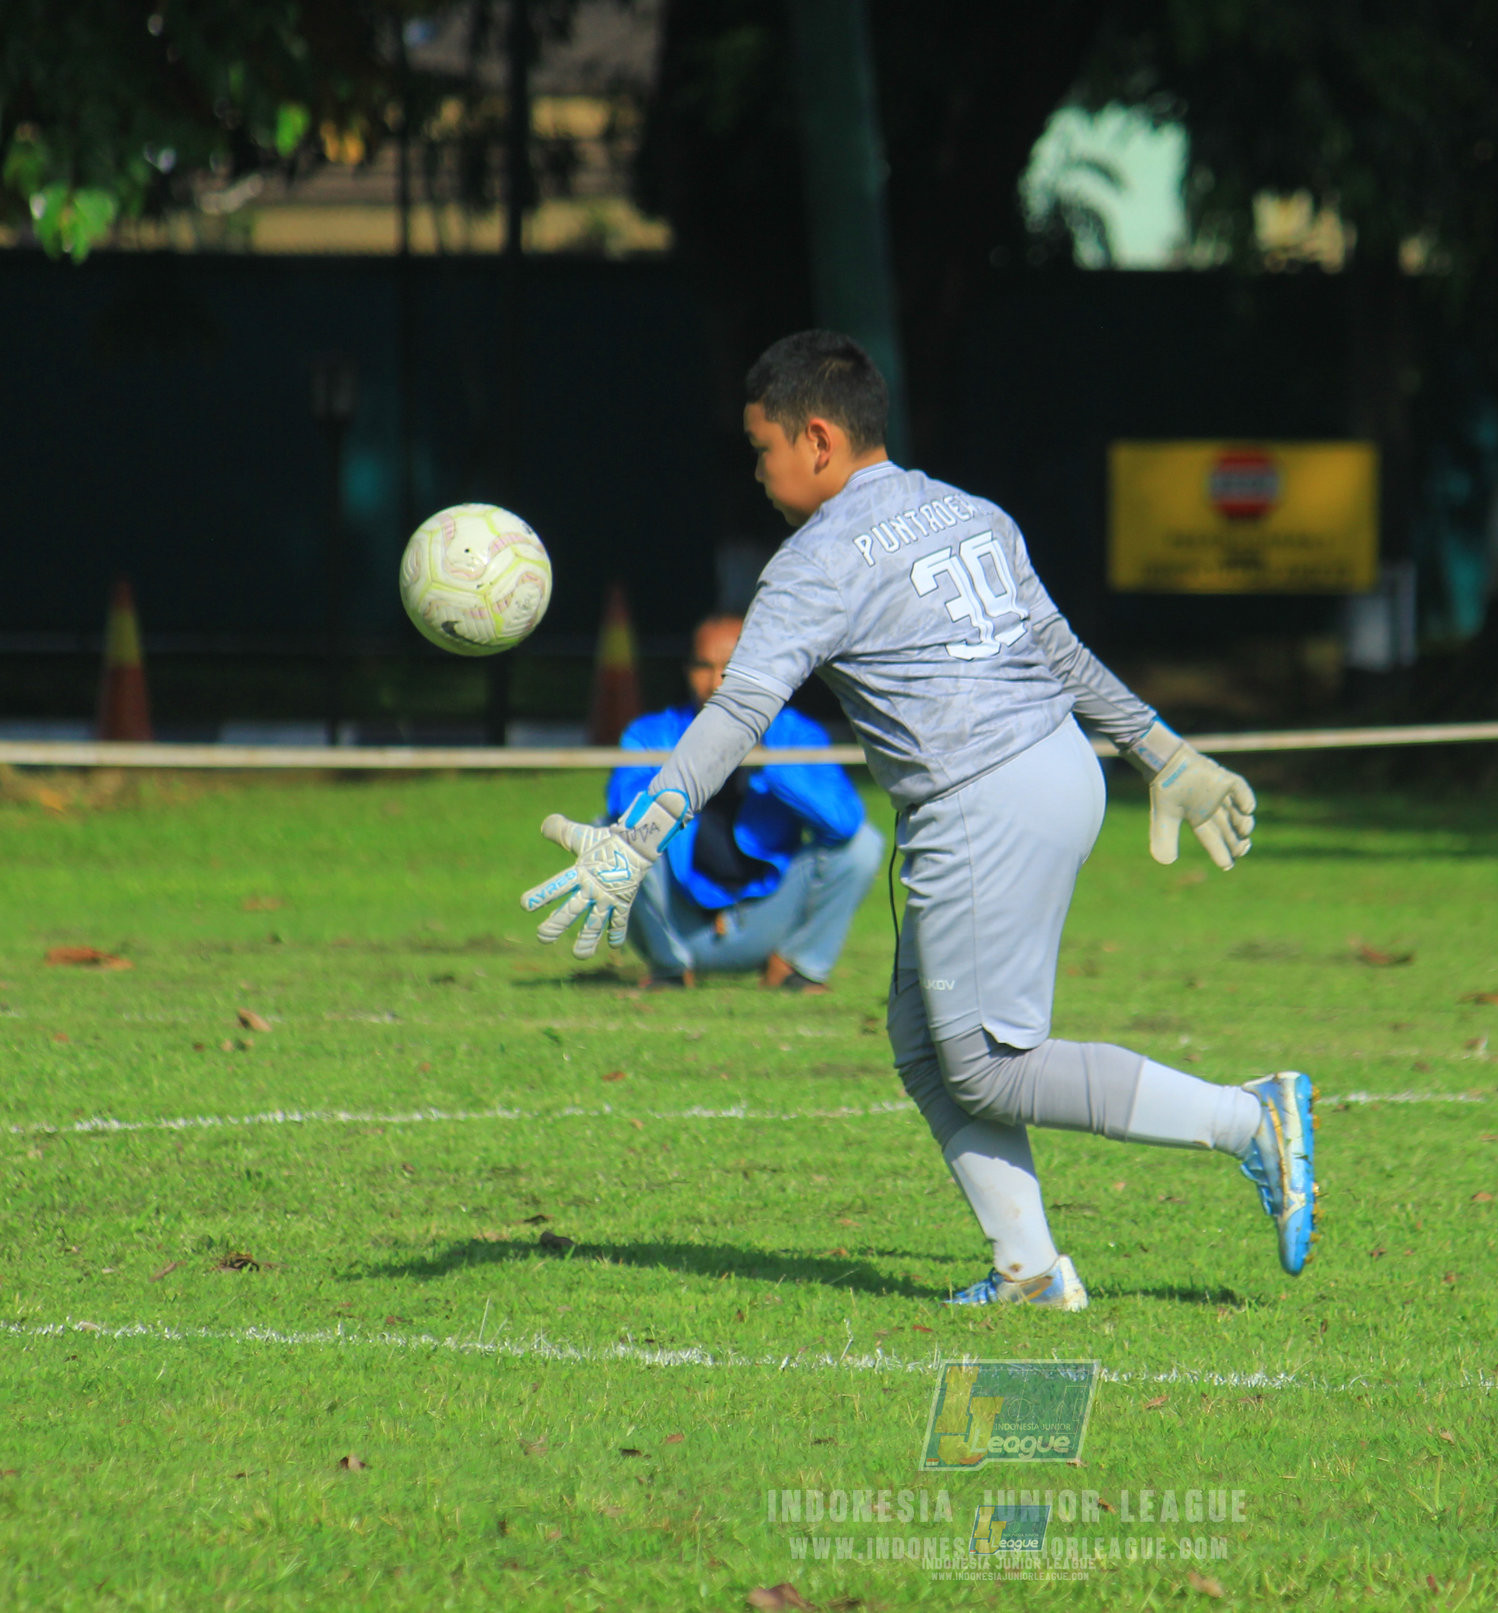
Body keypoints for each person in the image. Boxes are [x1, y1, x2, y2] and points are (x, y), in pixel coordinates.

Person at [522, 331, 1317, 1308]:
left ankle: (1248, 1118)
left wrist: (636, 835)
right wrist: (1161, 750)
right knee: (921, 1037)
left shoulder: (814, 562)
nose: (758, 473)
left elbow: (737, 711)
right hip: (1058, 768)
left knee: (988, 1069)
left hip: (981, 800)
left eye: (762, 448)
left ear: (817, 439)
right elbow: (1058, 651)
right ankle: (1028, 1269)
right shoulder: (971, 512)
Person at [607, 614, 884, 993]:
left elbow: (845, 823)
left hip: (767, 922)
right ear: (687, 671)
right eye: (703, 667)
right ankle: (669, 970)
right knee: (614, 835)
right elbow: (625, 813)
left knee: (863, 844)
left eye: (731, 668)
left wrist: (765, 760)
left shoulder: (796, 733)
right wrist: (698, 763)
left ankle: (796, 967)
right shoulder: (649, 734)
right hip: (677, 925)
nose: (716, 682)